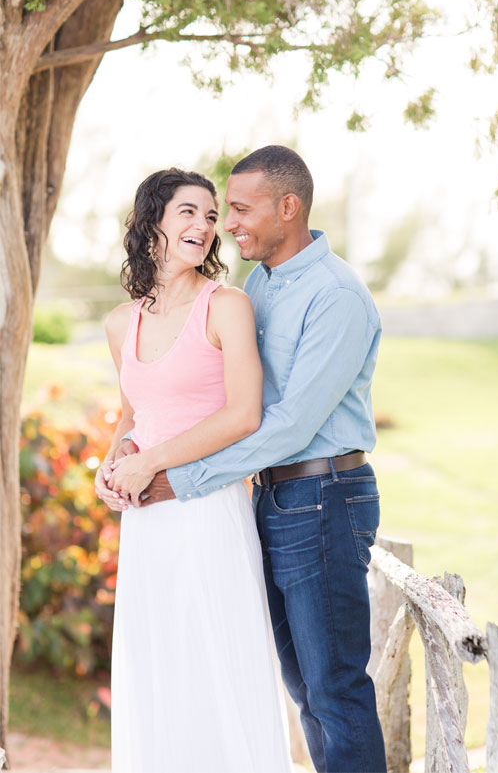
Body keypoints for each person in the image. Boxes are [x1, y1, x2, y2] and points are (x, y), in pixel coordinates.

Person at [99, 146, 387, 772]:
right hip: (272, 496)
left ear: (288, 208)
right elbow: (153, 407)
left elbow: (281, 422)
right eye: (205, 212)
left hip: (323, 494)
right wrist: (123, 456)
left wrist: (178, 476)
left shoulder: (335, 295)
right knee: (305, 689)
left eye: (233, 209)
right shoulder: (265, 284)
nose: (223, 225)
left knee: (334, 687)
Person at [97, 168, 291, 772]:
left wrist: (151, 461)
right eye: (189, 212)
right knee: (159, 659)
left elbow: (243, 414)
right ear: (152, 220)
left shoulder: (225, 306)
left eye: (211, 216)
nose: (205, 226)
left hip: (207, 506)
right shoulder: (118, 323)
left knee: (215, 655)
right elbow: (135, 415)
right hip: (146, 522)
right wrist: (111, 467)